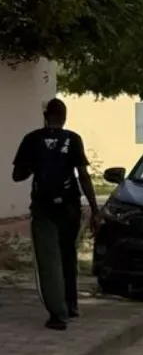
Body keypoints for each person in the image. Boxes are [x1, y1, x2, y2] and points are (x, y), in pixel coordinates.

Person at [11, 97, 100, 331]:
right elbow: (83, 175)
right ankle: (72, 305)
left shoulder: (32, 139)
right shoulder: (73, 139)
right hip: (70, 206)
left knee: (49, 259)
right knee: (67, 254)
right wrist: (94, 209)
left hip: (43, 207)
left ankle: (58, 314)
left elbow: (17, 176)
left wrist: (35, 166)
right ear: (64, 117)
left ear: (45, 116)